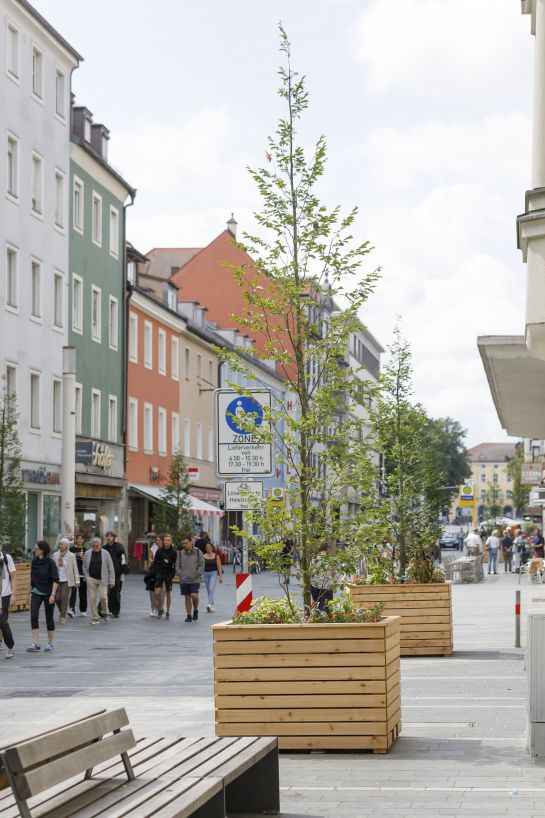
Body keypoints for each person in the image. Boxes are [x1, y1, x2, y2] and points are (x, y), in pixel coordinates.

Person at [27, 541, 59, 652]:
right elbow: (32, 580)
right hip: (36, 591)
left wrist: (53, 595)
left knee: (49, 618)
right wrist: (28, 595)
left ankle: (50, 643)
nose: (35, 550)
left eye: (36, 549)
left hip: (48, 592)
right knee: (33, 616)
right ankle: (36, 643)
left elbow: (55, 580)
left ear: (42, 550)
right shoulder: (34, 562)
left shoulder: (50, 563)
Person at [83, 537, 115, 625]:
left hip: (103, 579)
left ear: (100, 545)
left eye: (97, 545)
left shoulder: (105, 553)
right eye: (93, 545)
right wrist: (87, 577)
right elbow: (84, 566)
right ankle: (95, 617)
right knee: (92, 598)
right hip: (91, 579)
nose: (95, 547)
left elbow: (111, 568)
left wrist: (112, 581)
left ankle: (105, 613)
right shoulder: (87, 553)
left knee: (103, 597)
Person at [176, 535, 205, 622]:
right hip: (184, 579)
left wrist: (197, 573)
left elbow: (202, 564)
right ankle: (189, 615)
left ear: (191, 542)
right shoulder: (180, 553)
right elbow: (177, 565)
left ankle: (195, 609)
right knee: (187, 597)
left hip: (195, 579)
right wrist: (180, 573)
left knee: (194, 595)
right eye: (183, 543)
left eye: (186, 543)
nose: (185, 545)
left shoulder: (197, 552)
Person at [52, 538, 79, 623]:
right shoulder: (55, 555)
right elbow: (53, 567)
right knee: (57, 598)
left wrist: (77, 580)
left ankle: (62, 616)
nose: (60, 546)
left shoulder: (71, 555)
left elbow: (75, 568)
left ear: (67, 546)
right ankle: (63, 611)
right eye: (60, 544)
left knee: (64, 597)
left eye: (62, 544)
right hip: (57, 579)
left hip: (67, 579)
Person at [103, 531, 127, 618]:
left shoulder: (118, 546)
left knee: (115, 592)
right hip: (106, 573)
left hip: (117, 572)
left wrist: (116, 544)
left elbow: (122, 554)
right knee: (106, 592)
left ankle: (115, 611)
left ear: (114, 537)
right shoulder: (104, 548)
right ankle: (107, 609)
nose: (108, 538)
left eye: (110, 536)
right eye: (107, 536)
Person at [0, 536, 16, 659]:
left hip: (4, 594)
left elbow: (13, 576)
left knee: (2, 622)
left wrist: (14, 594)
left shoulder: (6, 558)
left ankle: (10, 646)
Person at [154, 533, 177, 619]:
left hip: (168, 573)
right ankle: (160, 608)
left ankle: (168, 611)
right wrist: (156, 571)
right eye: (165, 540)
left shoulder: (174, 552)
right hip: (160, 573)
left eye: (168, 540)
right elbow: (155, 562)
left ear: (171, 541)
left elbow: (175, 564)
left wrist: (173, 574)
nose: (166, 542)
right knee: (157, 592)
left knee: (168, 593)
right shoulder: (159, 551)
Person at [310, 543, 333, 612]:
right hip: (326, 586)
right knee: (326, 607)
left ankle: (316, 618)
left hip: (315, 586)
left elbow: (311, 573)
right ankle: (323, 619)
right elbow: (333, 574)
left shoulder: (314, 559)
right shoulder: (330, 560)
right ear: (327, 549)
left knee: (316, 605)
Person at [69, 534, 88, 617]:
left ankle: (83, 610)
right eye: (78, 538)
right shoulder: (71, 549)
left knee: (83, 593)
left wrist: (84, 559)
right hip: (73, 574)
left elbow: (88, 562)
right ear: (76, 540)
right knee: (73, 593)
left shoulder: (86, 550)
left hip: (82, 574)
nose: (79, 540)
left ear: (84, 540)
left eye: (81, 538)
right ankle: (72, 609)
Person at [203, 541, 223, 612]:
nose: (208, 548)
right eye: (207, 547)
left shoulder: (216, 556)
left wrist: (220, 576)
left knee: (211, 589)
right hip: (205, 574)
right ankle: (212, 603)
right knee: (208, 590)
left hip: (213, 573)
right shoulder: (203, 556)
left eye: (209, 547)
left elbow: (219, 566)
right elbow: (201, 567)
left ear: (212, 548)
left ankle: (209, 604)